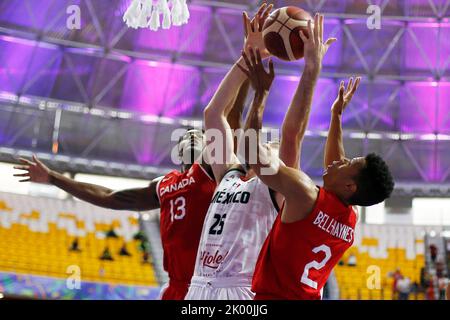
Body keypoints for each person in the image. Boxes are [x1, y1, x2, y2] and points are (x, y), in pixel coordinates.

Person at [12, 82, 249, 300]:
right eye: (186, 137)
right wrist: (53, 178)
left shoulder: (212, 172)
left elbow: (230, 124)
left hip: (211, 285)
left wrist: (246, 72)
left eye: (198, 134)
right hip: (176, 288)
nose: (190, 136)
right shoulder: (164, 185)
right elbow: (108, 196)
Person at [238, 15, 394, 299]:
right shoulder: (348, 219)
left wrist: (260, 95)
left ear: (351, 186)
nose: (340, 159)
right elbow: (334, 167)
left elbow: (251, 153)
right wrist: (336, 116)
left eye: (348, 163)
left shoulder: (302, 192)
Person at [185, 6, 335, 300]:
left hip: (242, 290)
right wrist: (247, 57)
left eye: (274, 147)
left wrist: (311, 70)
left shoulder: (279, 189)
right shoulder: (228, 176)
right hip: (199, 286)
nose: (270, 146)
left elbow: (292, 134)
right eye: (268, 145)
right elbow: (214, 113)